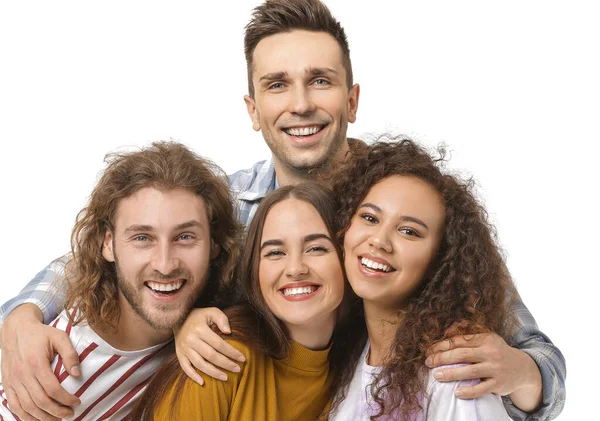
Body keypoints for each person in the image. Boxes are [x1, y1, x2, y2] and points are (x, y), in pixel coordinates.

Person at [0, 1, 565, 420]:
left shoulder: (409, 204)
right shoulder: (233, 205)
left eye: (319, 81)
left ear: (352, 99)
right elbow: (123, 250)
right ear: (253, 108)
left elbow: (535, 354)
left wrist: (525, 375)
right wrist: (24, 314)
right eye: (276, 85)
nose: (299, 104)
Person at [0, 141, 240, 420]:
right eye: (142, 238)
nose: (165, 264)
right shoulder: (63, 362)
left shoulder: (208, 332)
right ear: (108, 244)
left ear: (214, 245)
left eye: (185, 237)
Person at [132, 183, 346, 421]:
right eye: (275, 252)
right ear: (254, 269)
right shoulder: (219, 358)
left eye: (316, 248)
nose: (295, 269)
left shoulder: (353, 369)